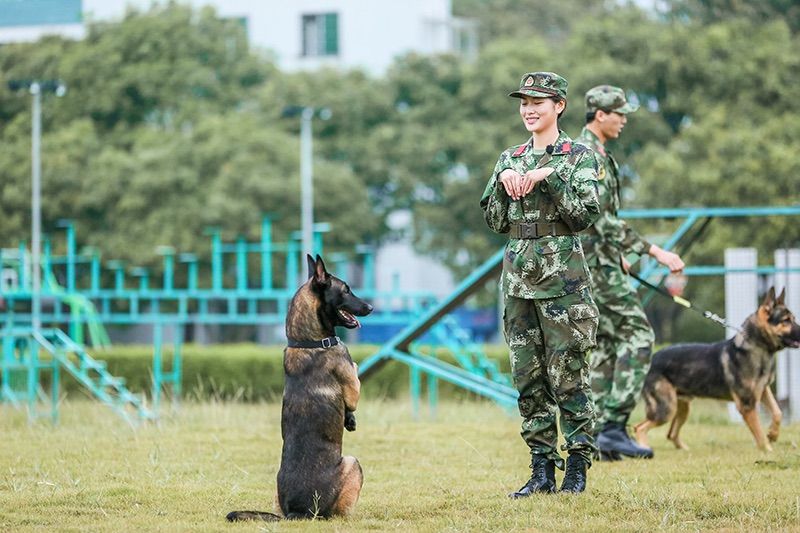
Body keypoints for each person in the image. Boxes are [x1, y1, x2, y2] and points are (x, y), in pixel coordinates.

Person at [480, 72, 601, 495]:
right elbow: (495, 221)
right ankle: (542, 470)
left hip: (564, 288)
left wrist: (548, 176)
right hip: (518, 287)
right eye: (524, 102)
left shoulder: (579, 156)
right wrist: (501, 184)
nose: (529, 109)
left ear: (559, 106)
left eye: (539, 101)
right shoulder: (509, 157)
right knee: (528, 381)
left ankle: (578, 467)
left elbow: (584, 216)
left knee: (569, 376)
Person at [577, 85, 685, 460]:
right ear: (599, 115)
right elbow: (598, 219)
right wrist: (653, 251)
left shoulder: (599, 153)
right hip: (595, 265)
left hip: (601, 260)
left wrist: (617, 253)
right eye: (618, 113)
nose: (624, 120)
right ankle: (611, 428)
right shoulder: (587, 155)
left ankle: (591, 436)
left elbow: (600, 225)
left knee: (607, 346)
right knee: (639, 336)